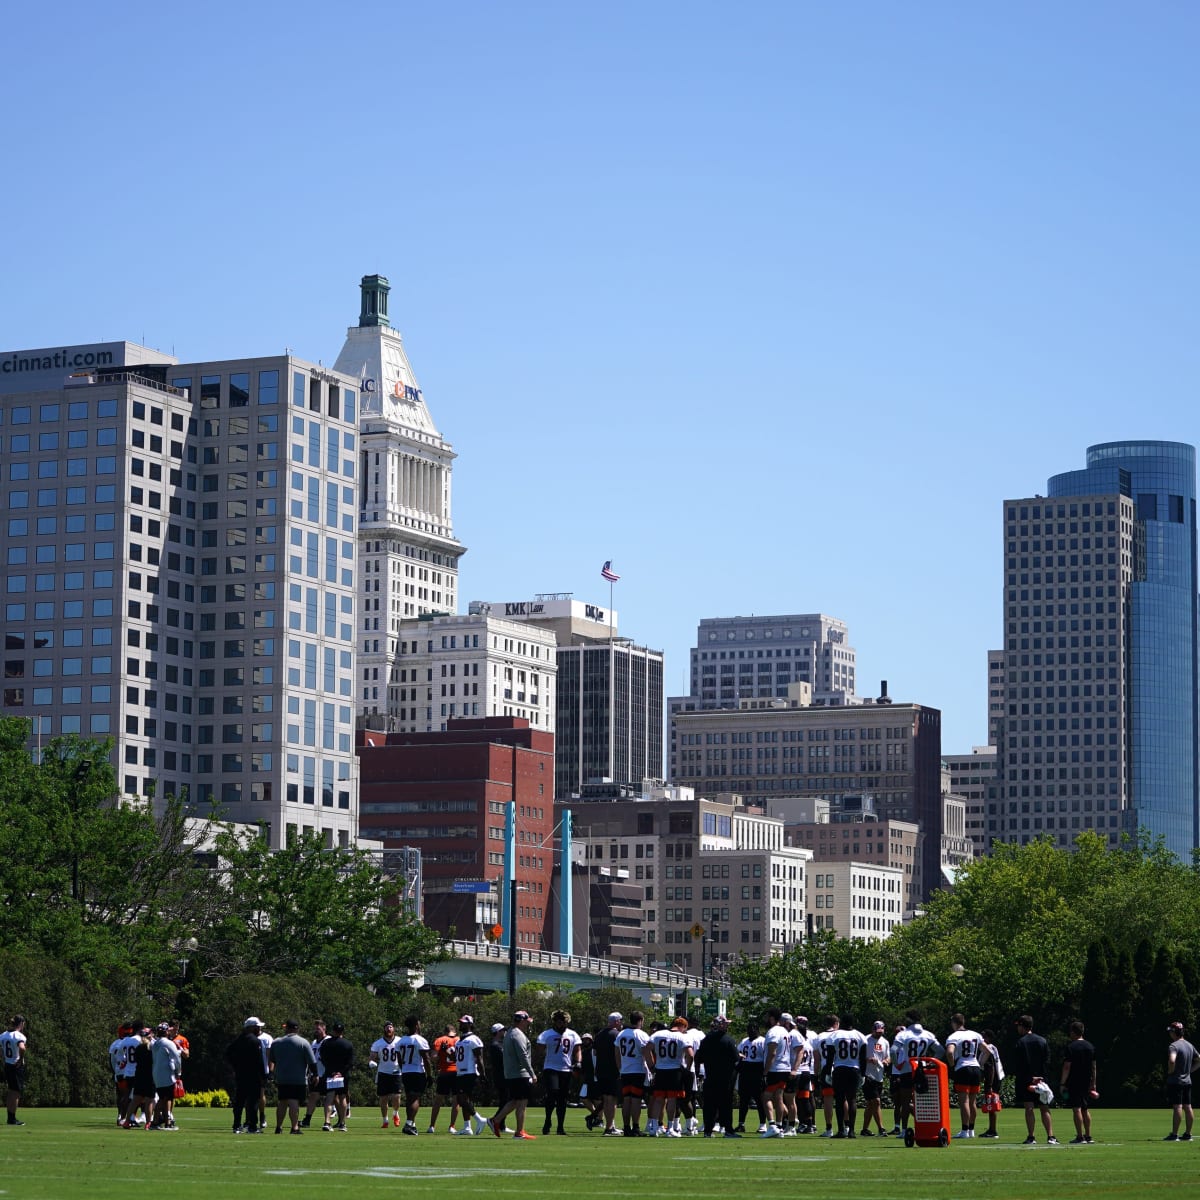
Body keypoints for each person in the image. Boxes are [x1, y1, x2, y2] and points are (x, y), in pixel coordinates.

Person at [891, 1010, 941, 1138]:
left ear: (909, 1020)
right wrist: (929, 1063)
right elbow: (940, 1051)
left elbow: (893, 1051)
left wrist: (897, 1065)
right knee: (925, 1100)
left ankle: (904, 1130)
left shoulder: (903, 1035)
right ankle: (928, 1127)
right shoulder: (928, 1034)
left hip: (907, 1069)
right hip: (922, 1069)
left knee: (906, 1101)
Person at [489, 1009, 538, 1140]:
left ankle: (496, 1120)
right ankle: (519, 1132)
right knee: (522, 1102)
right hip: (519, 1073)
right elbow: (523, 1056)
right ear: (521, 1021)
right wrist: (531, 1073)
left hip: (513, 1073)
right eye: (527, 1021)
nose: (528, 1024)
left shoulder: (511, 1032)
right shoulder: (517, 1035)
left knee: (515, 1101)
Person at [645, 1017, 694, 1137]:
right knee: (671, 1099)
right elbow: (690, 1055)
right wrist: (687, 1069)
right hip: (674, 1071)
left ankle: (654, 1127)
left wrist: (651, 1066)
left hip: (660, 1070)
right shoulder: (682, 1037)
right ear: (683, 1027)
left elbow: (647, 1050)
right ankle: (670, 1128)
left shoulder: (658, 1034)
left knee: (658, 1099)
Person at [1013, 1014, 1058, 1145]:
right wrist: (1041, 1078)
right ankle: (1051, 1136)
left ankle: (1031, 1137)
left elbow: (1019, 1064)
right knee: (1044, 1107)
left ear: (1023, 1026)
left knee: (1029, 1108)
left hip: (1026, 1080)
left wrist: (1030, 1078)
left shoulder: (1020, 1042)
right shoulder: (1042, 1040)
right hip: (1042, 1080)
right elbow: (1047, 1061)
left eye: (1019, 1026)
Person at [536, 1009, 581, 1135]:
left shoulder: (572, 1034)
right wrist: (538, 1063)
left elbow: (577, 1049)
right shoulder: (546, 1034)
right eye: (558, 1021)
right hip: (550, 1068)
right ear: (554, 1022)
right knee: (552, 1093)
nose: (561, 1024)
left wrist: (578, 1062)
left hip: (566, 1069)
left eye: (563, 1022)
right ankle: (548, 1120)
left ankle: (560, 1126)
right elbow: (539, 1050)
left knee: (562, 1098)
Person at [269, 1019, 318, 1135]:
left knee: (282, 1102)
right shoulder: (303, 1042)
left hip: (281, 1077)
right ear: (297, 1028)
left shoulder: (276, 1042)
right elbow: (312, 1062)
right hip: (298, 1078)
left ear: (287, 1028)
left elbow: (273, 1059)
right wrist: (315, 1075)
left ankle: (278, 1127)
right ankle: (294, 1127)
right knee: (293, 1102)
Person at [695, 1015, 740, 1137]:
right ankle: (728, 1130)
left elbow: (699, 1057)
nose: (727, 1026)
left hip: (710, 1077)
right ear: (721, 1025)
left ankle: (708, 1131)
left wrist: (698, 1071)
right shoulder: (728, 1040)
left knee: (709, 1106)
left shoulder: (706, 1040)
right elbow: (736, 1058)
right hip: (725, 1078)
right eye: (725, 1024)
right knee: (725, 1105)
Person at [945, 1013, 986, 1138]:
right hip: (975, 1068)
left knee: (964, 1101)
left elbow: (950, 1052)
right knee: (973, 1102)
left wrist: (952, 1065)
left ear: (954, 1023)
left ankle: (964, 1130)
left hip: (963, 1068)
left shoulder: (954, 1036)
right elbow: (987, 1051)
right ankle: (971, 1130)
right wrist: (980, 1064)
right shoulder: (975, 1034)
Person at [226, 1017, 270, 1134]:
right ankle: (252, 1126)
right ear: (251, 1027)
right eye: (257, 1027)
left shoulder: (238, 1040)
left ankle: (236, 1125)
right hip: (254, 1076)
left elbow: (228, 1054)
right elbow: (259, 1061)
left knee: (239, 1101)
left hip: (240, 1075)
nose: (259, 1029)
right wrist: (264, 1075)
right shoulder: (255, 1041)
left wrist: (235, 1067)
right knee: (253, 1102)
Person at [450, 1015, 490, 1136]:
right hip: (460, 1072)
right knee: (463, 1100)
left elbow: (479, 1057)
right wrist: (448, 1052)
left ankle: (480, 1120)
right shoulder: (458, 1041)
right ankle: (467, 1127)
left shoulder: (474, 1039)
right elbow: (456, 1058)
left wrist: (483, 1074)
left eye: (463, 1023)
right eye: (460, 1023)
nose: (460, 1025)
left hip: (469, 1072)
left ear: (470, 1024)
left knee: (462, 1100)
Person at [1060, 1019, 1097, 1144]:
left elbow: (1067, 1066)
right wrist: (1094, 1083)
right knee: (1085, 1109)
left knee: (1076, 1109)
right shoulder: (1090, 1046)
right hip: (1087, 1081)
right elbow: (1093, 1067)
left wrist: (1062, 1083)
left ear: (1073, 1032)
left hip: (1074, 1081)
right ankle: (1088, 1135)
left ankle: (1080, 1136)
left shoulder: (1071, 1047)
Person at [829, 1016, 867, 1138]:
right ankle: (851, 1130)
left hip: (839, 1068)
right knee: (852, 1100)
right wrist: (863, 1073)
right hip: (854, 1069)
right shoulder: (860, 1036)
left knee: (840, 1100)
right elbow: (862, 1058)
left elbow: (830, 1057)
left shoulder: (835, 1035)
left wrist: (826, 1072)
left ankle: (841, 1130)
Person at [397, 1015, 434, 1135]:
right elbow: (426, 1059)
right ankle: (408, 1124)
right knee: (415, 1098)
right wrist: (429, 1075)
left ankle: (412, 1124)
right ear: (416, 1025)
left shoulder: (401, 1040)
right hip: (417, 1071)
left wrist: (403, 1069)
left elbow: (399, 1058)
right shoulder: (419, 1040)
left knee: (409, 1098)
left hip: (406, 1071)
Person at [616, 1010, 650, 1137]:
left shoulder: (621, 1034)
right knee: (636, 1100)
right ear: (640, 1020)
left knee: (626, 1100)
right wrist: (652, 1067)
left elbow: (616, 1052)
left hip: (625, 1071)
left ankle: (626, 1127)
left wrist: (620, 1068)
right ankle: (635, 1127)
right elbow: (646, 1052)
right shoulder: (641, 1034)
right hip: (637, 1070)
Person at [759, 1008, 792, 1137]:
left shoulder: (773, 1032)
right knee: (778, 1097)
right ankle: (779, 1127)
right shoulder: (785, 1031)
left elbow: (772, 1053)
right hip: (785, 1068)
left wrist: (765, 1072)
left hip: (775, 1068)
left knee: (766, 1097)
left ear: (772, 1018)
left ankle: (772, 1125)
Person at [1164, 1020, 1196, 1141]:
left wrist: (1171, 1071)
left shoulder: (1173, 1046)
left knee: (1177, 1107)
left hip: (1176, 1081)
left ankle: (1174, 1135)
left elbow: (1172, 1060)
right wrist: (1190, 1071)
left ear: (1174, 1032)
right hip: (1187, 1081)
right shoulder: (1189, 1045)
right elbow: (1199, 1060)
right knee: (1188, 1107)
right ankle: (1188, 1134)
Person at [592, 1012, 623, 1136]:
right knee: (612, 1099)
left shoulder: (599, 1034)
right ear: (616, 1021)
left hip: (600, 1070)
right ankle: (609, 1127)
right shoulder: (617, 1035)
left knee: (606, 1098)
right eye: (620, 1020)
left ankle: (610, 1125)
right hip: (613, 1070)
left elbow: (594, 1053)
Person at [320, 1021, 354, 1132]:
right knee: (342, 1097)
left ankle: (327, 1122)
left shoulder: (326, 1043)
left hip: (330, 1073)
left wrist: (332, 1071)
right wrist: (341, 1072)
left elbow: (323, 1059)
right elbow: (350, 1062)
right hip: (343, 1075)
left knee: (329, 1097)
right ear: (342, 1031)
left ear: (333, 1031)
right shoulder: (348, 1044)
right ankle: (342, 1123)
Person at [369, 1021, 404, 1128]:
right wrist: (371, 1062)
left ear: (393, 1029)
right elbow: (372, 1056)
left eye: (391, 1027)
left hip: (396, 1072)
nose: (389, 1029)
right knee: (383, 1098)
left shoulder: (399, 1041)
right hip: (383, 1073)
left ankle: (395, 1113)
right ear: (384, 1029)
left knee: (396, 1096)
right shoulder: (378, 1043)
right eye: (387, 1027)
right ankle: (385, 1120)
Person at [428, 1024, 460, 1133]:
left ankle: (432, 1126)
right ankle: (452, 1126)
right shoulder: (459, 1040)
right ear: (454, 1031)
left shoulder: (439, 1040)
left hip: (444, 1072)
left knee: (438, 1100)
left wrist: (442, 1053)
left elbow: (433, 1058)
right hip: (457, 1072)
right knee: (456, 1101)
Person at [860, 1020, 890, 1136]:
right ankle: (881, 1128)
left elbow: (888, 1057)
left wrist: (886, 1061)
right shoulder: (866, 1040)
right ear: (872, 1030)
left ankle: (864, 1129)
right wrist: (868, 1060)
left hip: (879, 1075)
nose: (879, 1034)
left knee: (870, 1104)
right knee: (876, 1101)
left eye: (881, 1031)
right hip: (868, 1074)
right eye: (877, 1031)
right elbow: (860, 1056)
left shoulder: (885, 1042)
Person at [149, 1023, 182, 1129]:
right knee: (168, 1098)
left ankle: (155, 1121)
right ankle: (167, 1122)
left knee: (162, 1098)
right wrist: (178, 1072)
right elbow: (176, 1058)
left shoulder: (155, 1043)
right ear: (166, 1031)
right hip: (166, 1074)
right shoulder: (168, 1043)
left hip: (156, 1074)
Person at [735, 1019, 765, 1133]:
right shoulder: (744, 1041)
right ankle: (741, 1124)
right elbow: (737, 1053)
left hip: (757, 1070)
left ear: (757, 1030)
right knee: (743, 1100)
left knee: (759, 1099)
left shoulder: (762, 1041)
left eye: (753, 1029)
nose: (750, 1032)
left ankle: (762, 1124)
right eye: (749, 1030)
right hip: (745, 1070)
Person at [301, 1019, 329, 1129]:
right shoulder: (314, 1042)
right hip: (317, 1074)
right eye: (315, 1029)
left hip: (326, 1074)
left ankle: (339, 1121)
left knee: (332, 1098)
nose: (316, 1031)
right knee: (313, 1096)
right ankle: (307, 1119)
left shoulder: (328, 1040)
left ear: (324, 1028)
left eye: (318, 1028)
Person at [128, 1027, 157, 1131]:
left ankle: (127, 1121)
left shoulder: (138, 1048)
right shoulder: (151, 1048)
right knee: (149, 1101)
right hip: (150, 1077)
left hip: (139, 1076)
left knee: (135, 1100)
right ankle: (148, 1123)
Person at [1, 1015, 27, 1128]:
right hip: (16, 1066)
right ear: (21, 1023)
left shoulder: (3, 1035)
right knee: (16, 1092)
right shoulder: (19, 1035)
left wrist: (4, 1058)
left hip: (7, 1065)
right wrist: (21, 1059)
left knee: (11, 1091)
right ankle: (12, 1118)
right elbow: (22, 1047)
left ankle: (10, 1117)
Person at [978, 1028, 1004, 1138]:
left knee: (992, 1104)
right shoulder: (993, 1047)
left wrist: (989, 1086)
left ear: (988, 1038)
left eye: (983, 1037)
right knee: (991, 1105)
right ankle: (991, 1129)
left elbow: (990, 1068)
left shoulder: (988, 1049)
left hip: (993, 1080)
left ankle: (993, 1130)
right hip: (997, 1077)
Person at [488, 1022, 509, 1119]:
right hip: (501, 1076)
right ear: (498, 1032)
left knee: (505, 1100)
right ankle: (496, 1120)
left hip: (504, 1075)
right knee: (505, 1100)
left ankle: (501, 1124)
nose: (505, 1032)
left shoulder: (500, 1044)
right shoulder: (495, 1045)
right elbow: (505, 1058)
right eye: (503, 1030)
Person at [256, 1019, 274, 1132]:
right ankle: (250, 1118)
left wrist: (271, 1071)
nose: (259, 1028)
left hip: (262, 1071)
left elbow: (270, 1056)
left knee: (260, 1094)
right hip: (250, 1071)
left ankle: (262, 1116)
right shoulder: (248, 1038)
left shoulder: (267, 1038)